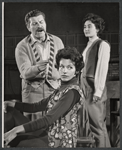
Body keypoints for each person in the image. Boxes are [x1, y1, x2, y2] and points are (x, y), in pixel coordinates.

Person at [4, 47, 91, 148]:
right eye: (62, 67)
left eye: (70, 67)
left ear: (76, 71)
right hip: (49, 133)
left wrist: (15, 130)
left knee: (16, 141)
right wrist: (11, 104)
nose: (64, 71)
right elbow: (37, 106)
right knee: (10, 112)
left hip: (59, 141)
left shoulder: (72, 92)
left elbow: (48, 120)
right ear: (58, 68)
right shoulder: (61, 89)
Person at [15, 9, 64, 121]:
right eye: (34, 23)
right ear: (28, 27)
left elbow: (63, 66)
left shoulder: (57, 41)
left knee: (54, 126)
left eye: (41, 22)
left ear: (45, 23)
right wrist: (39, 67)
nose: (39, 26)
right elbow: (25, 73)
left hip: (54, 89)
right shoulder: (22, 46)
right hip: (33, 92)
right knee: (33, 127)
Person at [80, 13, 111, 147]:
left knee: (98, 127)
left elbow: (102, 69)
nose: (86, 29)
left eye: (90, 26)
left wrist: (98, 91)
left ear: (97, 28)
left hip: (93, 89)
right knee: (93, 126)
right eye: (84, 27)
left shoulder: (102, 45)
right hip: (85, 88)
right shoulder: (88, 46)